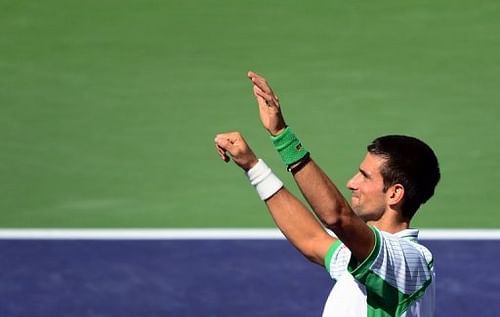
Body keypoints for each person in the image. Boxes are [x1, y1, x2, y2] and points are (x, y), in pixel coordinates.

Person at [214, 71, 440, 317]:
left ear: (395, 194)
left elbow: (338, 217)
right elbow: (313, 241)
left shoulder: (406, 263)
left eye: (364, 176)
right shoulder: (368, 259)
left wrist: (282, 137)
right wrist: (253, 166)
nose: (351, 183)